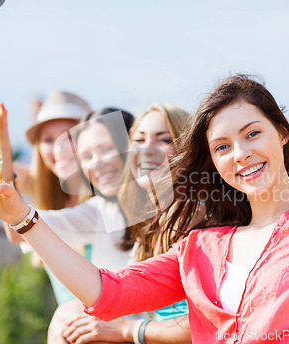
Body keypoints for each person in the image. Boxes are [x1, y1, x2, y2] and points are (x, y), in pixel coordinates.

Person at [0, 74, 289, 343]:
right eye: (221, 146)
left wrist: (132, 334)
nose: (239, 154)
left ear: (281, 133)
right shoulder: (203, 246)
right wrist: (21, 216)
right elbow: (107, 294)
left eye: (252, 134)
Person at [56, 104, 194, 344]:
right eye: (139, 140)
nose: (147, 149)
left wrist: (127, 329)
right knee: (69, 316)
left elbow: (205, 323)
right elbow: (116, 291)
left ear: (188, 150)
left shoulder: (199, 220)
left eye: (164, 139)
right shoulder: (154, 224)